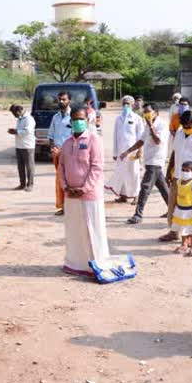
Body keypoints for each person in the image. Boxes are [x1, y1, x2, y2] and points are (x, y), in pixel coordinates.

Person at [59, 107, 129, 276]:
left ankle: (94, 264)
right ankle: (75, 263)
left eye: (81, 119)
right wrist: (66, 186)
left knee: (92, 229)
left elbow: (97, 168)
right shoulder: (67, 143)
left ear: (87, 120)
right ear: (70, 121)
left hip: (89, 195)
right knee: (74, 229)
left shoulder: (93, 140)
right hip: (71, 194)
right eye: (74, 119)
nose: (77, 122)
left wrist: (84, 189)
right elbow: (61, 167)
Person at [159, 110, 192, 242]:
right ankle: (174, 232)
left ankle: (189, 237)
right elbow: (174, 153)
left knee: (190, 208)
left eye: (189, 126)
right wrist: (168, 171)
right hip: (177, 176)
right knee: (173, 206)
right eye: (185, 126)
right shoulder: (179, 132)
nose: (187, 129)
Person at [122, 103, 169, 224]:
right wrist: (127, 151)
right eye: (145, 112)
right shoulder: (147, 126)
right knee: (163, 188)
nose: (146, 114)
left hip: (156, 160)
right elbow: (141, 141)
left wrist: (151, 126)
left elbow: (158, 141)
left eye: (148, 111)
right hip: (149, 160)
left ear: (156, 112)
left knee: (145, 187)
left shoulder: (162, 125)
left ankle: (138, 214)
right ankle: (174, 210)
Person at [107, 95, 144, 203]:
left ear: (132, 105)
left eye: (128, 103)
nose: (126, 105)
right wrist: (115, 152)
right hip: (120, 152)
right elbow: (115, 136)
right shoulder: (118, 119)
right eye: (124, 103)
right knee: (122, 172)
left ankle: (136, 195)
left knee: (134, 173)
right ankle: (123, 195)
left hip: (133, 151)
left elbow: (141, 137)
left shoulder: (137, 118)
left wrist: (140, 151)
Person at [169, 161, 192, 257]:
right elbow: (176, 194)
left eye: (187, 171)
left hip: (190, 210)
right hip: (180, 209)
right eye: (183, 170)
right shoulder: (179, 182)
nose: (184, 172)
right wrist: (174, 205)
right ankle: (183, 244)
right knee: (182, 228)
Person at [48, 91, 72, 215]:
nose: (61, 101)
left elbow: (76, 137)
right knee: (60, 181)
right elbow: (51, 135)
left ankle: (72, 207)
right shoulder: (55, 117)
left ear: (69, 101)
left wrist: (63, 151)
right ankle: (63, 206)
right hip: (57, 154)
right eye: (59, 99)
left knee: (71, 181)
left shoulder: (74, 116)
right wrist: (53, 149)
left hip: (70, 155)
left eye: (64, 99)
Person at [8, 104, 36, 192]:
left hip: (28, 146)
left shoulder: (29, 119)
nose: (14, 116)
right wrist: (15, 131)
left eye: (15, 114)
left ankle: (30, 184)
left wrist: (16, 131)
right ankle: (22, 184)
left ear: (19, 111)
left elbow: (28, 131)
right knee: (20, 167)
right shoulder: (20, 119)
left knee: (29, 166)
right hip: (19, 145)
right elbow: (20, 130)